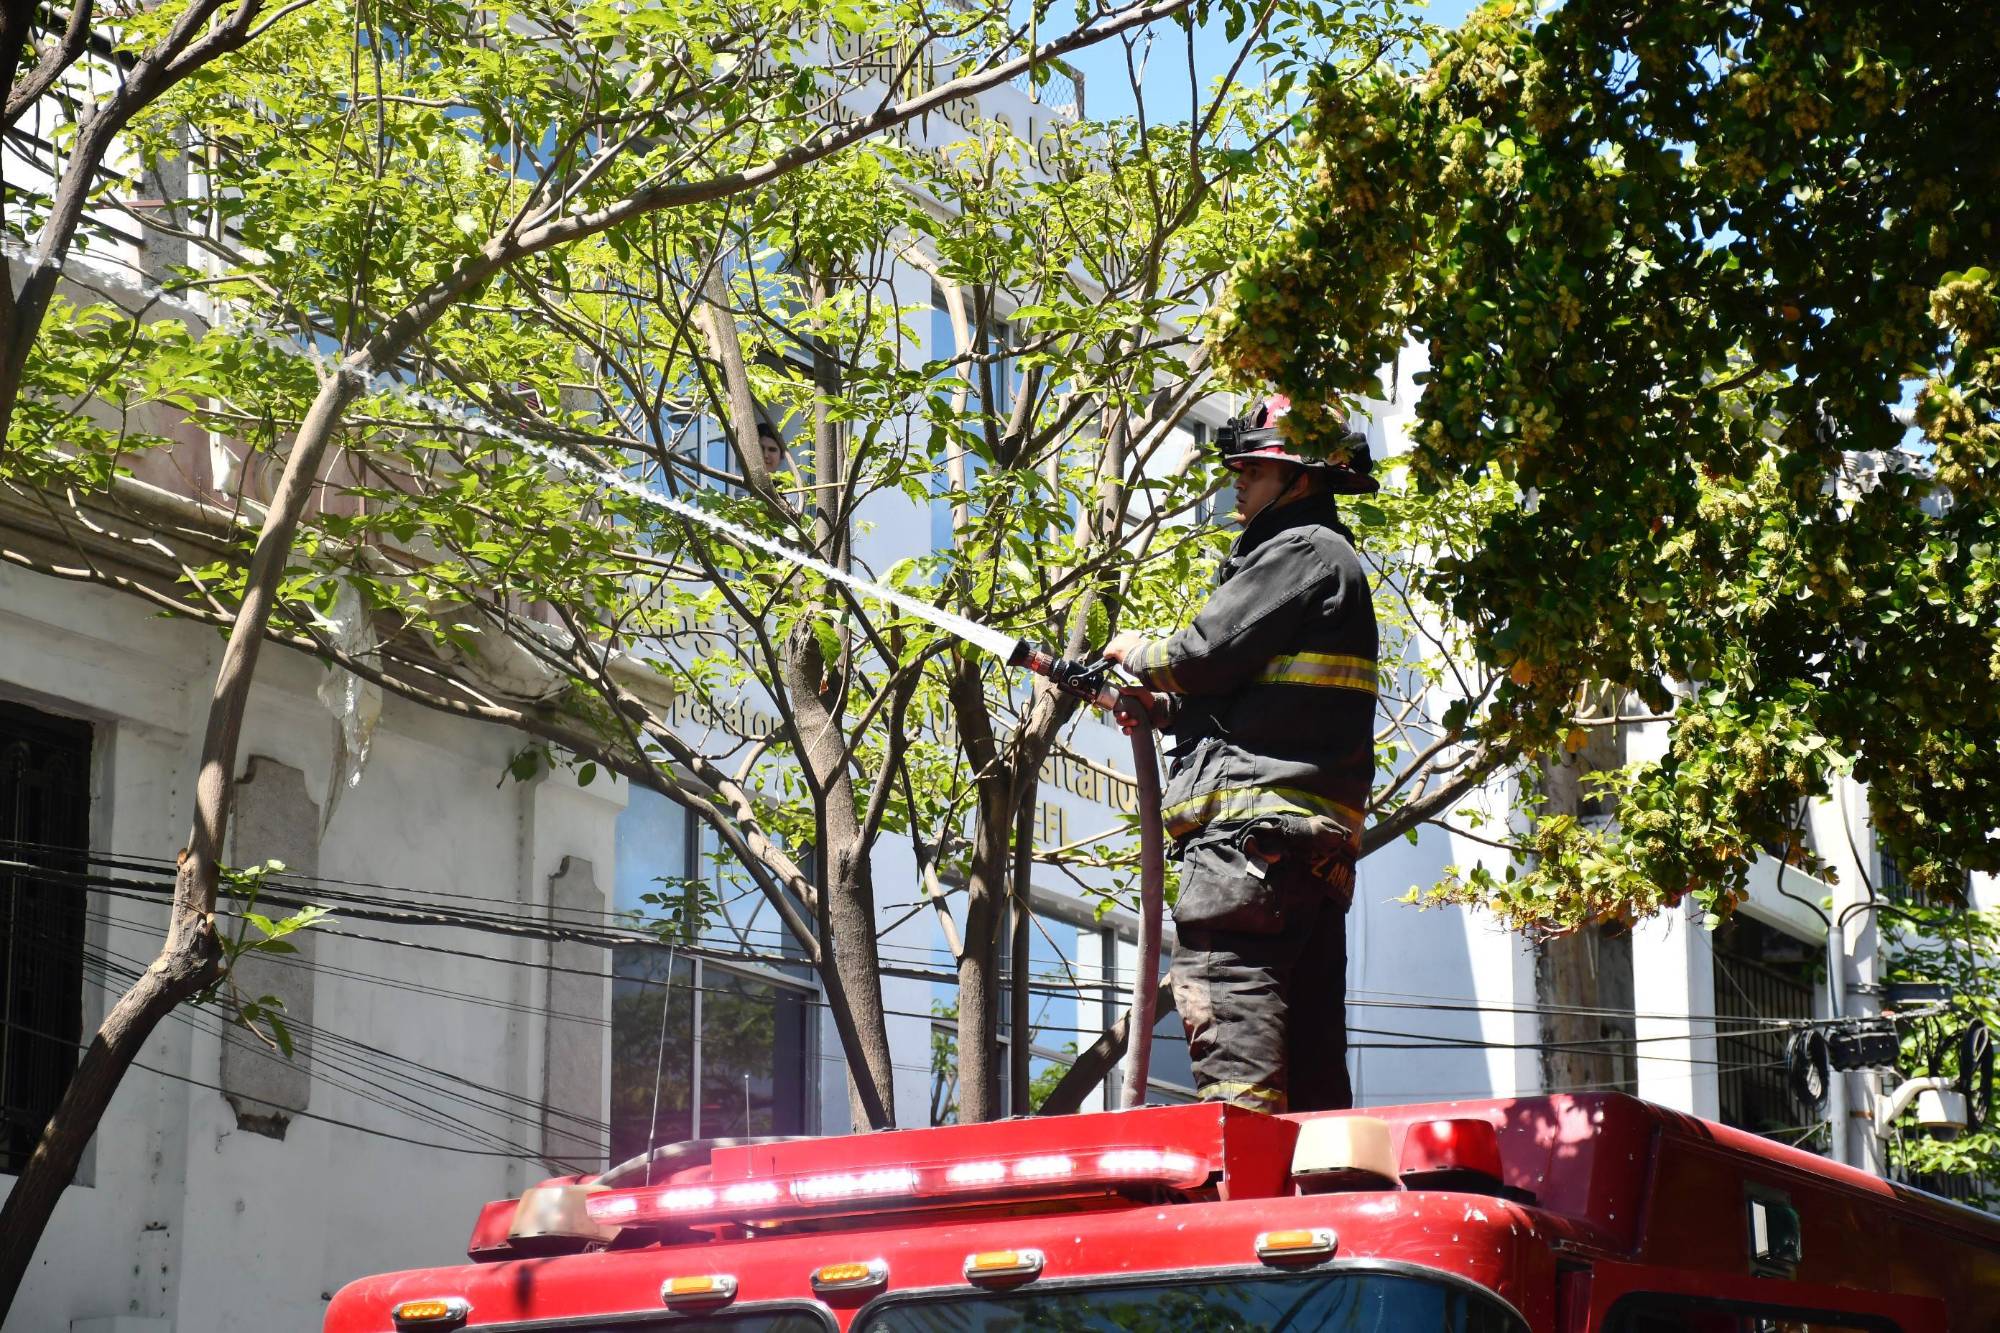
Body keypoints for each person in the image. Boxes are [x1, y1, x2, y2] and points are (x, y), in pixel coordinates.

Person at [1103, 396, 1378, 1114]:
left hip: (1249, 852)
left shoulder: (1302, 550)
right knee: (1309, 1062)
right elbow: (1258, 700)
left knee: (1233, 1015)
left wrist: (1139, 654)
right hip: (1297, 855)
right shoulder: (1324, 565)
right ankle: (1318, 1193)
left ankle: (1245, 1192)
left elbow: (1200, 653)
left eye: (1254, 466)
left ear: (1302, 478)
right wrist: (1162, 709)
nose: (1236, 478)